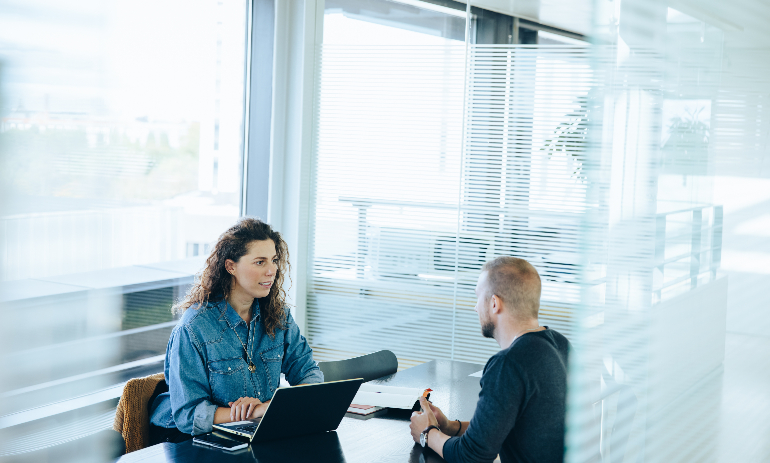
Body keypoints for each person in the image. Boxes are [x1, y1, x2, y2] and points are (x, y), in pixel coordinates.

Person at [148, 218, 323, 443]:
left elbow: (309, 373)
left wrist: (267, 408)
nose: (272, 270)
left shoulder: (278, 316)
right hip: (193, 443)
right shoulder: (193, 329)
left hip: (254, 434)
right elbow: (188, 415)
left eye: (274, 260)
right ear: (231, 266)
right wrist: (255, 412)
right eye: (260, 262)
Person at [409, 256, 570, 463]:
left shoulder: (509, 363)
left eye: (478, 297)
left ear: (494, 303)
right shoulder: (561, 345)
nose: (475, 307)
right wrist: (451, 427)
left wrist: (427, 433)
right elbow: (505, 426)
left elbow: (472, 456)